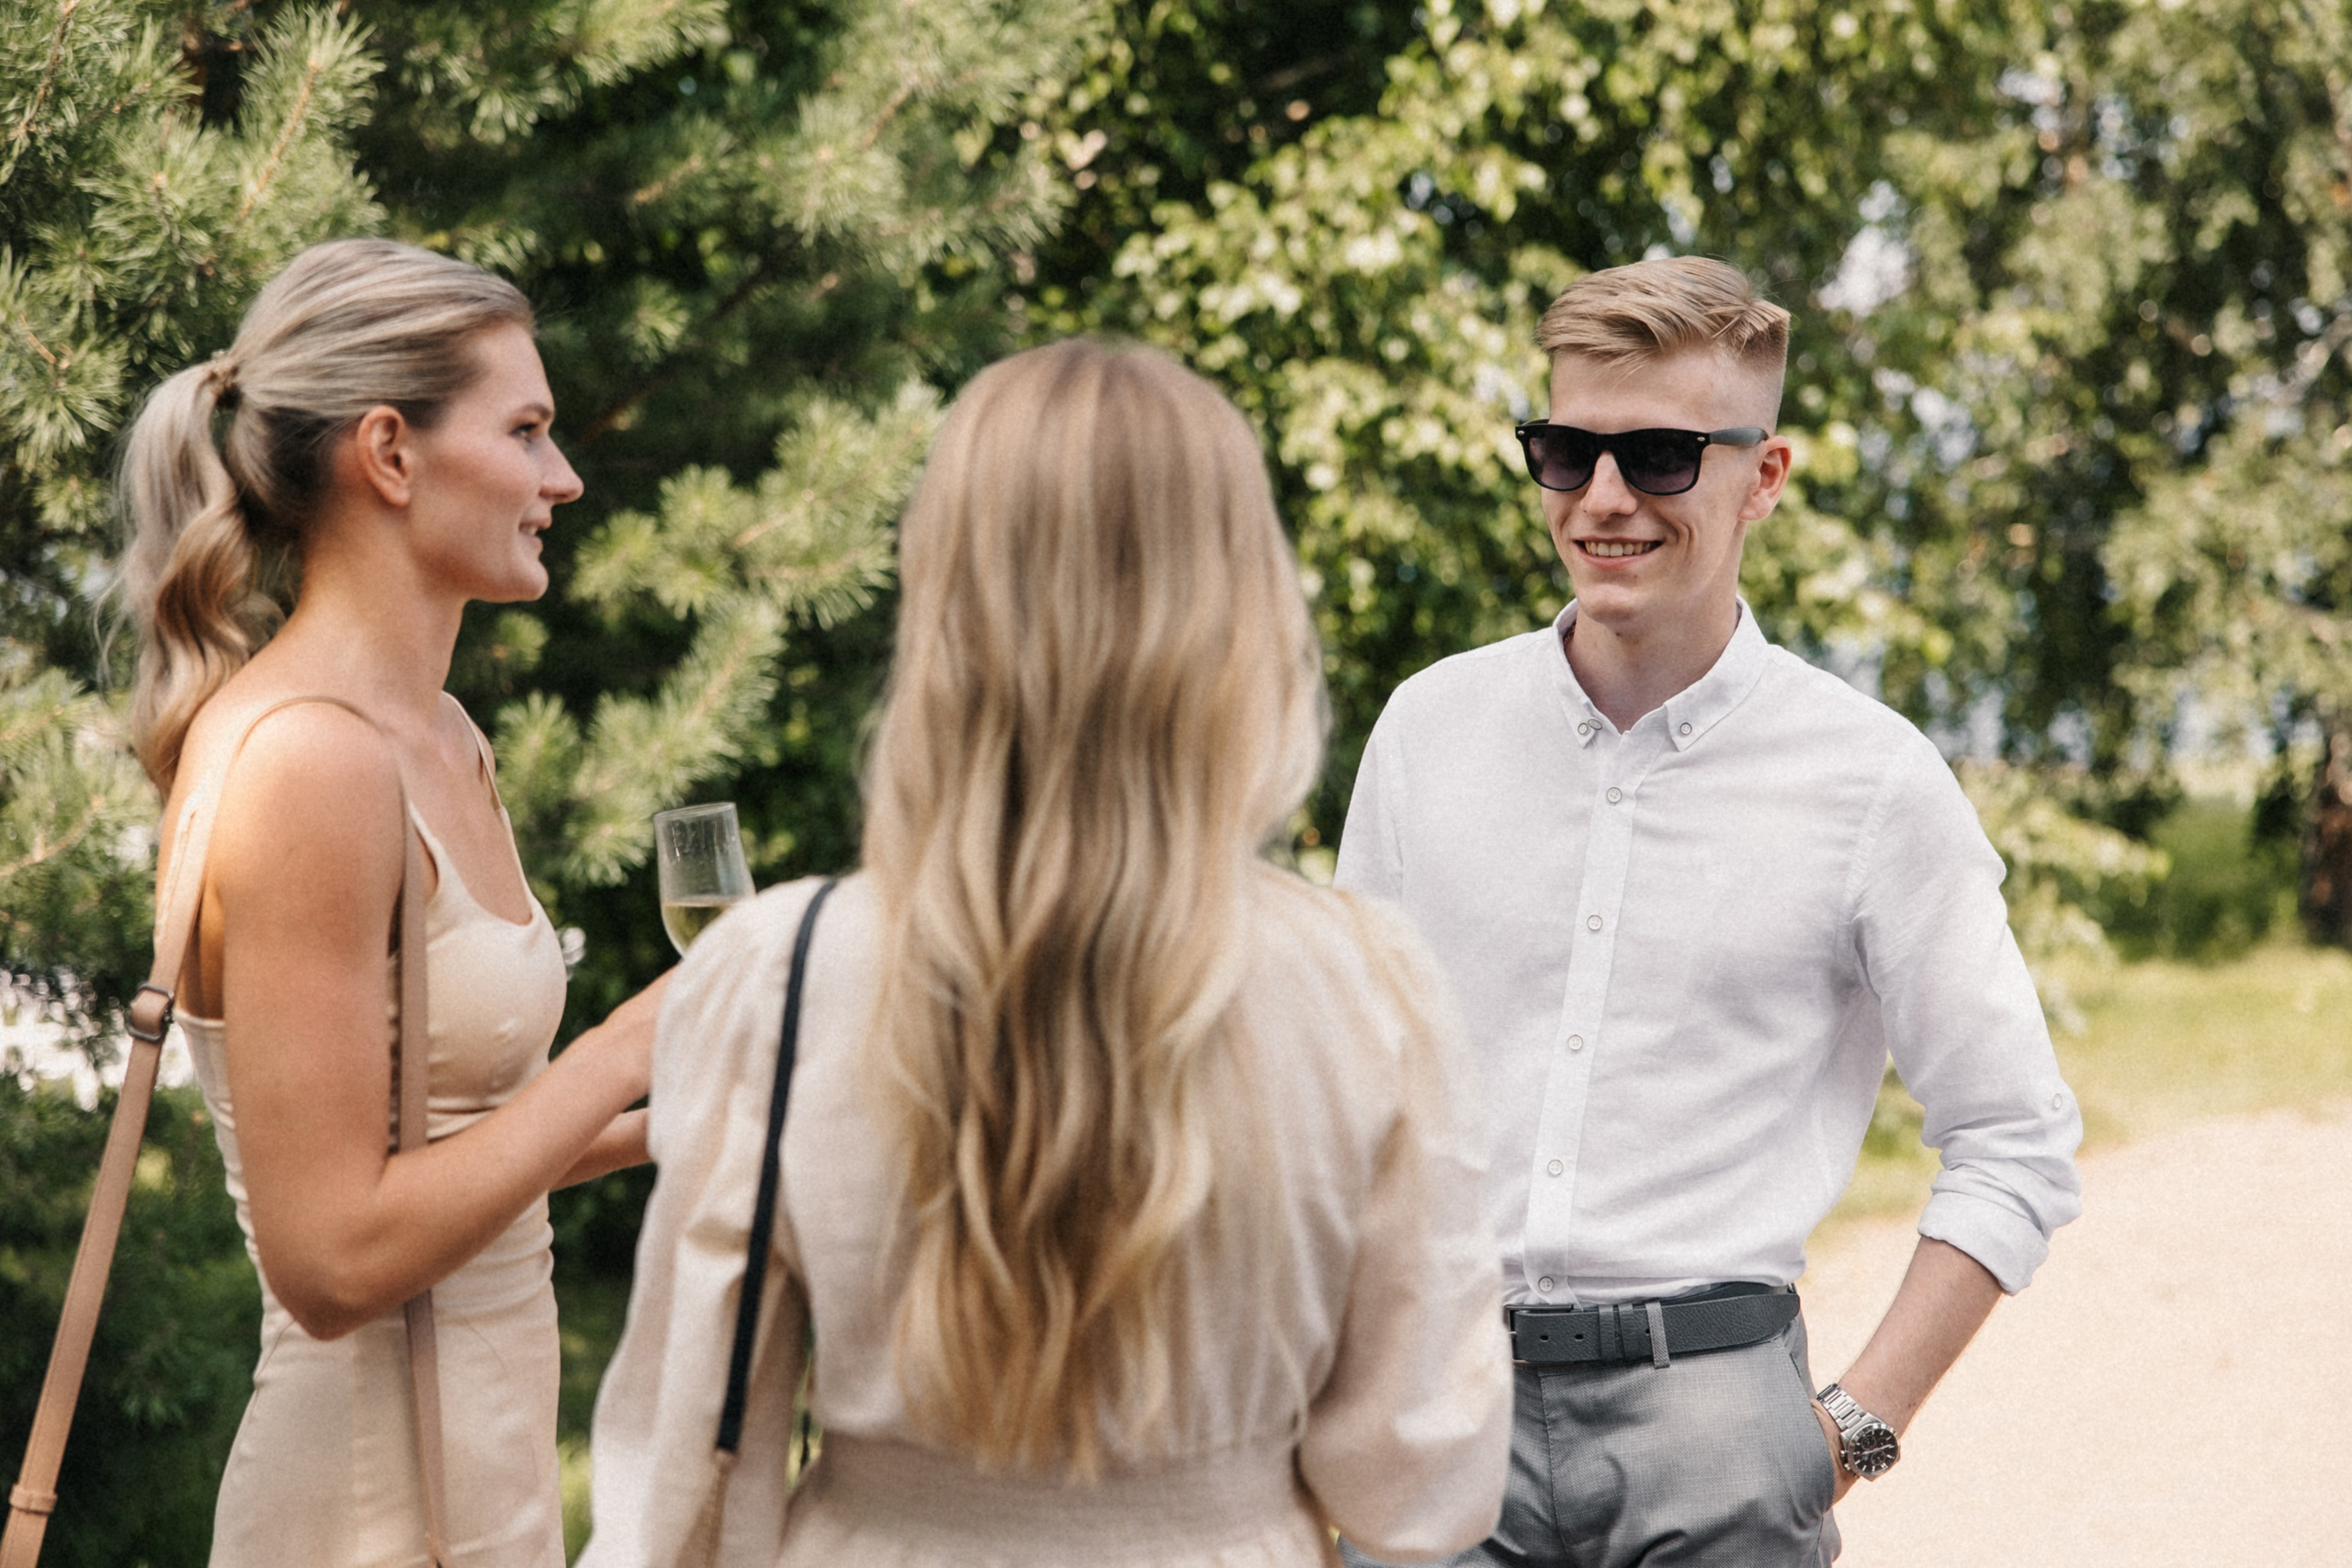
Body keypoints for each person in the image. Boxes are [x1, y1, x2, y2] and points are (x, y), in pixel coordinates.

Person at [581, 338, 1512, 1567]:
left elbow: (688, 1477)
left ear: (945, 600)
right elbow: (1420, 1478)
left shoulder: (780, 972)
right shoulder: (1367, 983)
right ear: (1243, 602)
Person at [1332, 256, 2084, 1567]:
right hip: (1445, 1422)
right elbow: (1343, 1102)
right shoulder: (1426, 732)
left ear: (1765, 477)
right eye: (1567, 453)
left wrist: (1847, 1427)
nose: (1605, 499)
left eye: (1664, 457)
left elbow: (2014, 1140)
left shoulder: (1872, 781)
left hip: (1721, 1433)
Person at [123, 238, 666, 1566]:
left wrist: (671, 1120)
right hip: (364, 1515)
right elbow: (331, 1263)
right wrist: (614, 1055)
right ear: (391, 453)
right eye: (528, 430)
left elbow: (447, 1145)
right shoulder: (311, 762)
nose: (564, 478)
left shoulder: (439, 737)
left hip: (481, 1488)